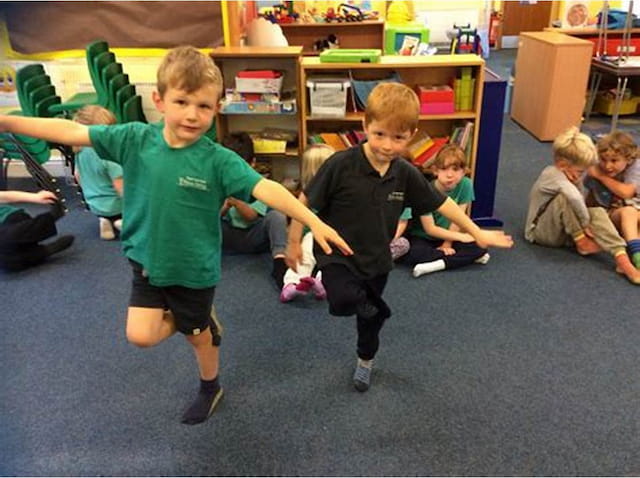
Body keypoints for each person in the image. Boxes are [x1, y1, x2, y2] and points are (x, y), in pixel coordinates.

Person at [0, 45, 351, 425]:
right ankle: (195, 320)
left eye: (203, 106)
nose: (192, 114)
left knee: (199, 338)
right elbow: (73, 130)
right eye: (182, 101)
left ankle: (209, 384)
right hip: (146, 261)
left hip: (192, 270)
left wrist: (313, 222)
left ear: (216, 108)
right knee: (141, 336)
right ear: (160, 100)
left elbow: (269, 191)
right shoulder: (134, 138)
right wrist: (8, 123)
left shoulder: (218, 160)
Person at [286, 82, 513, 393]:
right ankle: (371, 306)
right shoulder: (341, 164)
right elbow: (303, 201)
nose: (387, 146)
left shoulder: (404, 173)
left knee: (369, 322)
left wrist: (475, 232)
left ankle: (365, 360)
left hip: (377, 259)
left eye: (399, 138)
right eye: (379, 134)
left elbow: (442, 203)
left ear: (412, 135)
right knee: (342, 298)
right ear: (365, 125)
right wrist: (294, 241)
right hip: (338, 252)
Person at [525, 126, 640, 285]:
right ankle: (582, 242)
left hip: (563, 231)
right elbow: (574, 198)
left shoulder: (570, 175)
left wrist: (590, 220)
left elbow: (581, 200)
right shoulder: (552, 175)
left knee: (598, 211)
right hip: (540, 232)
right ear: (562, 164)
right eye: (580, 171)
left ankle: (622, 259)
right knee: (565, 197)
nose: (580, 175)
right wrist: (585, 223)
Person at [399, 144, 489, 277]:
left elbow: (458, 220)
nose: (450, 175)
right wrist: (457, 240)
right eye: (444, 169)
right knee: (414, 253)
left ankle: (436, 265)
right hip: (425, 236)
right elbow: (430, 229)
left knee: (481, 246)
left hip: (450, 235)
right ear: (435, 171)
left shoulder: (466, 184)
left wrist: (447, 244)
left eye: (456, 169)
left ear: (464, 172)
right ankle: (460, 260)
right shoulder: (425, 190)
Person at [219, 132, 289, 288]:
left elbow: (251, 216)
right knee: (205, 219)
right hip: (230, 236)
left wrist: (235, 201)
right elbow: (213, 217)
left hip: (254, 236)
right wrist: (224, 206)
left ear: (253, 164)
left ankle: (279, 261)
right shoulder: (221, 183)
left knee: (277, 217)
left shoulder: (258, 185)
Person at [280, 143, 335, 302]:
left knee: (335, 261)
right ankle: (293, 283)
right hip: (310, 242)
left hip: (334, 241)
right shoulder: (306, 198)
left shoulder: (339, 195)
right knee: (306, 253)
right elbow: (296, 225)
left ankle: (321, 282)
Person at [584, 130, 640, 268]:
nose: (608, 166)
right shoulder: (595, 169)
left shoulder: (635, 167)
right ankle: (636, 256)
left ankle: (629, 255)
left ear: (629, 159)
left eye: (614, 161)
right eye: (603, 160)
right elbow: (590, 197)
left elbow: (627, 192)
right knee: (628, 213)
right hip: (616, 213)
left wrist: (602, 177)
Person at [73, 105, 123, 240]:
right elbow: (121, 186)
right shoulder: (108, 154)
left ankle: (105, 220)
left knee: (105, 210)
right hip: (117, 206)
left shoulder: (80, 150)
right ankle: (122, 222)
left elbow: (77, 176)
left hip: (94, 205)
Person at [0, 189, 73, 271]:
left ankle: (51, 217)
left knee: (6, 235)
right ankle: (45, 251)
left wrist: (35, 197)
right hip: (11, 241)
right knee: (4, 261)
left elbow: (3, 196)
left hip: (11, 219)